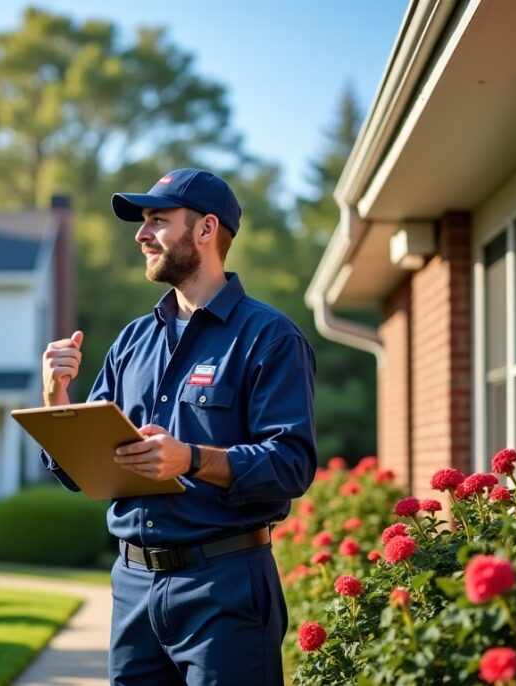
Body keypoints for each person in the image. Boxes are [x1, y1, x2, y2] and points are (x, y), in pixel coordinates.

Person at [39, 168, 317, 685]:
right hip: (132, 589)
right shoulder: (132, 341)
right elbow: (84, 468)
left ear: (207, 230)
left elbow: (292, 465)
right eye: (143, 221)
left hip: (224, 587)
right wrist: (57, 396)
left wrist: (190, 458)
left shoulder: (270, 338)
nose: (142, 234)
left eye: (158, 220)